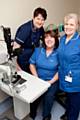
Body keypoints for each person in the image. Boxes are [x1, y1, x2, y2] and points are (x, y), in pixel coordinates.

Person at [29, 29, 59, 120]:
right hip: (38, 78)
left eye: (51, 37)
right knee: (33, 94)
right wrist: (36, 77)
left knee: (49, 97)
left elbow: (60, 70)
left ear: (56, 40)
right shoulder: (38, 51)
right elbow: (31, 64)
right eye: (46, 37)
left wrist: (50, 82)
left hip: (53, 80)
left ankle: (46, 115)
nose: (49, 40)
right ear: (43, 40)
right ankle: (32, 112)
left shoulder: (59, 53)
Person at [58, 13, 80, 120]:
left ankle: (72, 117)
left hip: (76, 79)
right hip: (64, 76)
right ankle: (67, 113)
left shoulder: (79, 41)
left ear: (77, 26)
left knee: (75, 102)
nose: (68, 27)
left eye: (72, 24)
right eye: (66, 24)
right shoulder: (62, 39)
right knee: (68, 98)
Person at [13, 7, 47, 72]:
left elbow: (44, 40)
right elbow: (15, 48)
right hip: (23, 59)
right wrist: (16, 66)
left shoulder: (40, 28)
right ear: (33, 18)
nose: (40, 22)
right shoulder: (25, 29)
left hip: (32, 57)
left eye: (42, 20)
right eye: (38, 19)